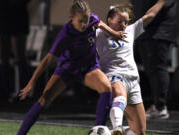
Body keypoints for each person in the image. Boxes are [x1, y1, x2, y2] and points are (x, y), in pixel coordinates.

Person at [16, 0, 126, 134]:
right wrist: (31, 83)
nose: (84, 24)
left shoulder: (92, 19)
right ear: (72, 17)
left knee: (106, 88)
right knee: (44, 99)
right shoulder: (65, 35)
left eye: (86, 20)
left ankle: (99, 131)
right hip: (68, 69)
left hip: (89, 67)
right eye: (80, 21)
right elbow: (47, 60)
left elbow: (99, 23)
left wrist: (114, 34)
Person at [96, 0, 167, 135]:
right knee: (120, 95)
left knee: (140, 132)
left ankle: (106, 133)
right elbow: (91, 20)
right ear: (109, 20)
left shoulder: (130, 30)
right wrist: (108, 30)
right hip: (114, 75)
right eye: (119, 21)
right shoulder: (100, 33)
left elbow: (150, 16)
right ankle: (117, 128)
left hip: (134, 82)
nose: (123, 25)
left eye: (126, 22)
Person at [133, 0, 178, 119]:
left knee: (157, 67)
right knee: (151, 68)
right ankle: (158, 106)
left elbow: (156, 10)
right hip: (147, 31)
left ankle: (160, 107)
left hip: (158, 31)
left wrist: (137, 26)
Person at [0, 0, 30, 99]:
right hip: (3, 14)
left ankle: (22, 92)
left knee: (19, 56)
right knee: (3, 57)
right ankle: (4, 90)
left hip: (18, 16)